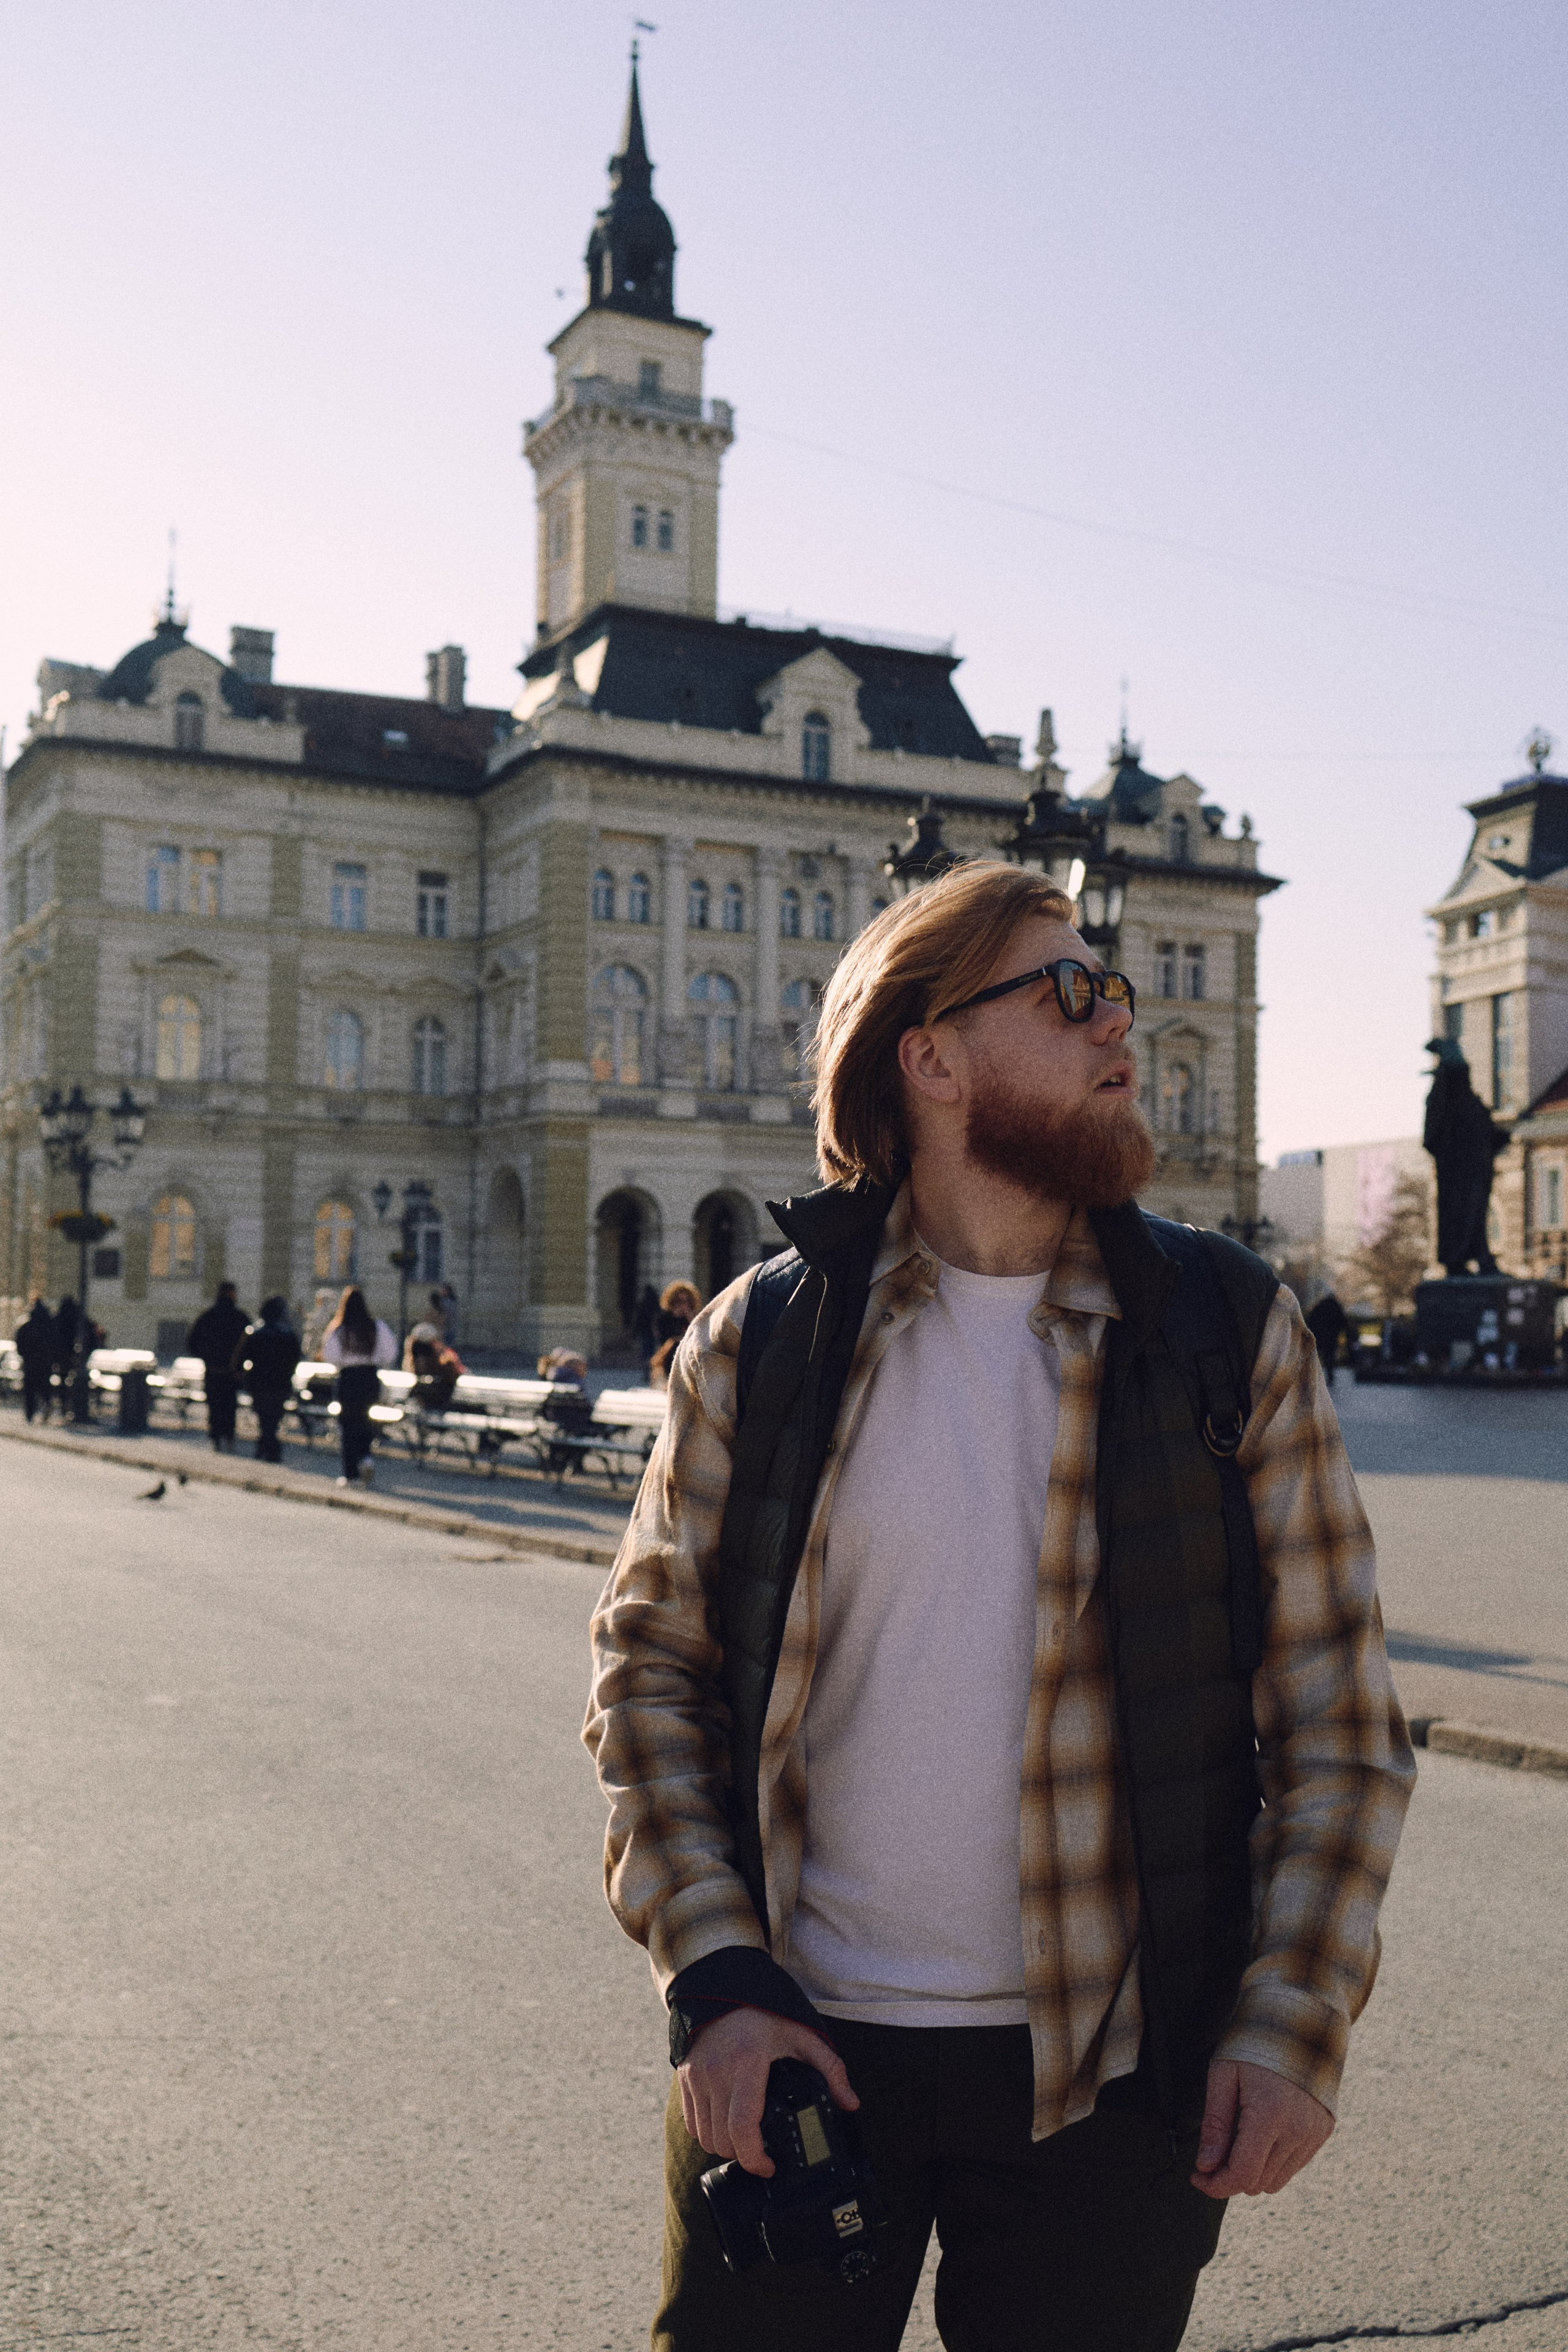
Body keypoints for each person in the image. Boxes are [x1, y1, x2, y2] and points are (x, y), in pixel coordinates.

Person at [584, 861, 1415, 2352]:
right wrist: (714, 1980)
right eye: (1071, 987)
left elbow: (1338, 1724)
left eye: (1120, 985)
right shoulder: (760, 1338)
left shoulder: (1222, 1328)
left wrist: (1290, 2019)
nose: (1123, 1023)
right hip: (792, 2053)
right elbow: (648, 1675)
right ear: (932, 1054)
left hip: (1113, 2075)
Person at [320, 1287, 397, 1484]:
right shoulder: (376, 1326)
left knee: (348, 1424)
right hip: (370, 1376)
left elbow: (330, 1355)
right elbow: (390, 1353)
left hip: (349, 1377)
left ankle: (351, 1474)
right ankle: (366, 1458)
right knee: (366, 1420)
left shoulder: (340, 1329)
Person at [232, 1295, 301, 1464]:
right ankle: (269, 1448)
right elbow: (295, 1358)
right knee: (273, 1416)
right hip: (280, 1382)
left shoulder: (255, 1332)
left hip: (259, 1382)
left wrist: (242, 1375)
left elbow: (241, 1358)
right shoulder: (288, 1334)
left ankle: (266, 1447)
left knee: (264, 1416)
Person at [187, 1281, 249, 1452]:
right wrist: (241, 1364)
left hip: (213, 1371)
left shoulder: (207, 1317)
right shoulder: (239, 1317)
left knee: (214, 1407)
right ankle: (228, 1438)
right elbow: (250, 1345)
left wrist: (208, 1357)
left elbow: (192, 1344)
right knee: (229, 1407)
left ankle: (216, 1439)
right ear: (231, 1294)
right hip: (232, 1372)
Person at [15, 1298, 56, 1422]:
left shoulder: (27, 1325)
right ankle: (46, 1406)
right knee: (44, 1387)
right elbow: (54, 1342)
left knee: (30, 1390)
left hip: (30, 1362)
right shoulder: (49, 1325)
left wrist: (24, 1355)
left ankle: (30, 1414)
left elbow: (20, 1343)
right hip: (45, 1362)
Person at [1305, 1289, 1351, 1385]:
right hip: (1332, 1337)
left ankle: (1313, 1377)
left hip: (1319, 1336)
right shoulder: (1337, 1307)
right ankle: (1330, 1377)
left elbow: (1311, 1320)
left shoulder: (1319, 1306)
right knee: (1330, 1357)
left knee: (1317, 1356)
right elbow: (1343, 1322)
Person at [655, 1280, 701, 1348]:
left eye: (686, 1301)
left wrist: (690, 1319)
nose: (683, 1305)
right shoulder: (663, 1318)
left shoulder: (692, 1318)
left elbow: (699, 1337)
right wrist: (675, 1317)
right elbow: (663, 1339)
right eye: (679, 1301)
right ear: (673, 1301)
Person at [301, 1287, 338, 1363]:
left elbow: (318, 1324)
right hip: (315, 1340)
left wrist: (309, 1327)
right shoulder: (321, 1310)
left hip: (319, 1341)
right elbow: (314, 1317)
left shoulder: (325, 1310)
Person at [633, 1283, 661, 1363]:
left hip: (644, 1331)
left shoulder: (642, 1304)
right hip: (652, 1331)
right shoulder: (655, 1304)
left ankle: (647, 1369)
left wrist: (635, 1332)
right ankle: (650, 1368)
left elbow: (639, 1320)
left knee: (645, 1351)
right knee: (651, 1351)